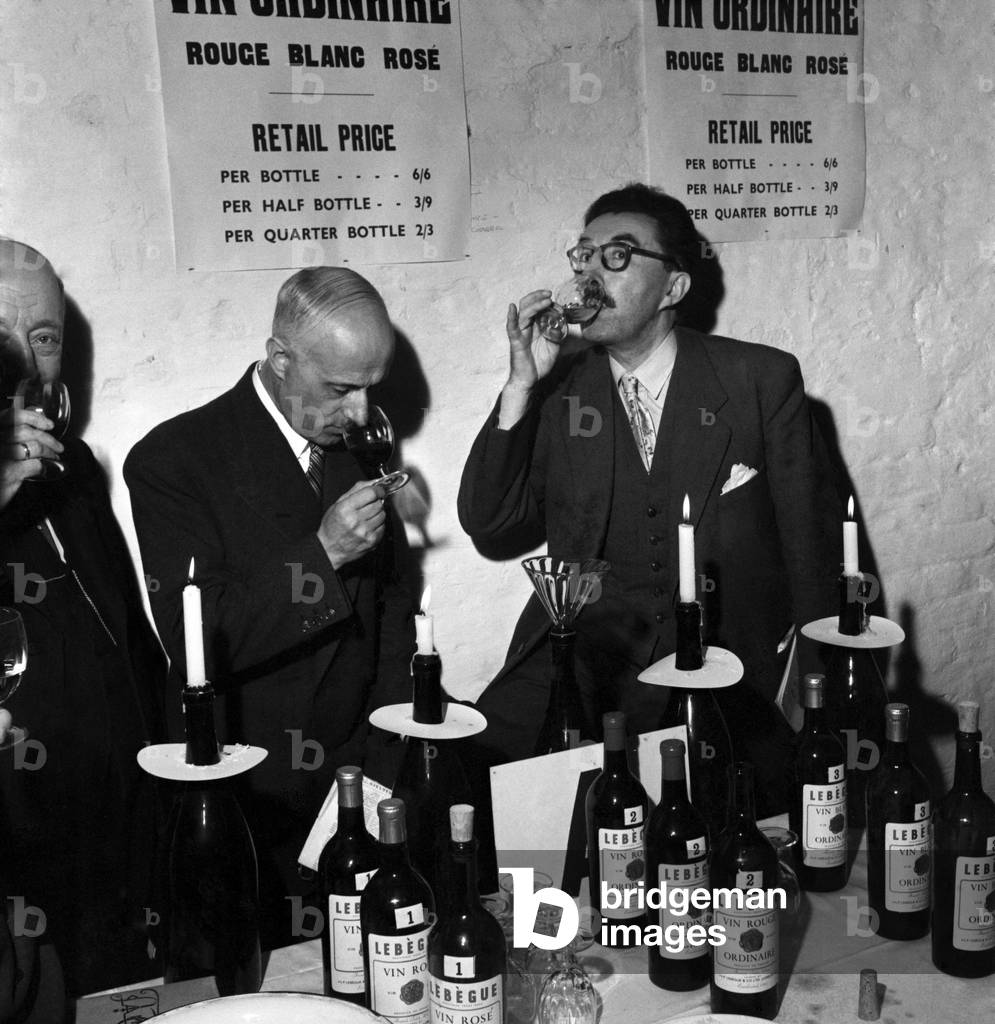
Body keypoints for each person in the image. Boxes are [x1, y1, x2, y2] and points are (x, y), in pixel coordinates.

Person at [458, 184, 841, 815]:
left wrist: (815, 686)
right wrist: (523, 383)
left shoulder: (759, 380)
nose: (587, 273)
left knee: (724, 838)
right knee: (483, 781)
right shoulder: (561, 390)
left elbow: (813, 549)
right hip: (586, 652)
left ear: (673, 289)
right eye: (583, 256)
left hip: (723, 662)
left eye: (617, 256)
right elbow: (491, 523)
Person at [124, 266, 415, 948]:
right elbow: (195, 636)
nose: (360, 412)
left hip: (355, 787)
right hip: (249, 800)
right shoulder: (173, 459)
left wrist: (379, 772)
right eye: (341, 388)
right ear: (281, 359)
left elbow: (395, 613)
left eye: (372, 387)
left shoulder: (355, 441)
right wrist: (323, 554)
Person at [0, 239, 166, 997]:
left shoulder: (76, 468)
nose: (28, 364)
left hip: (118, 833)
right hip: (18, 855)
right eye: (1, 337)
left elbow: (128, 635)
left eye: (43, 338)